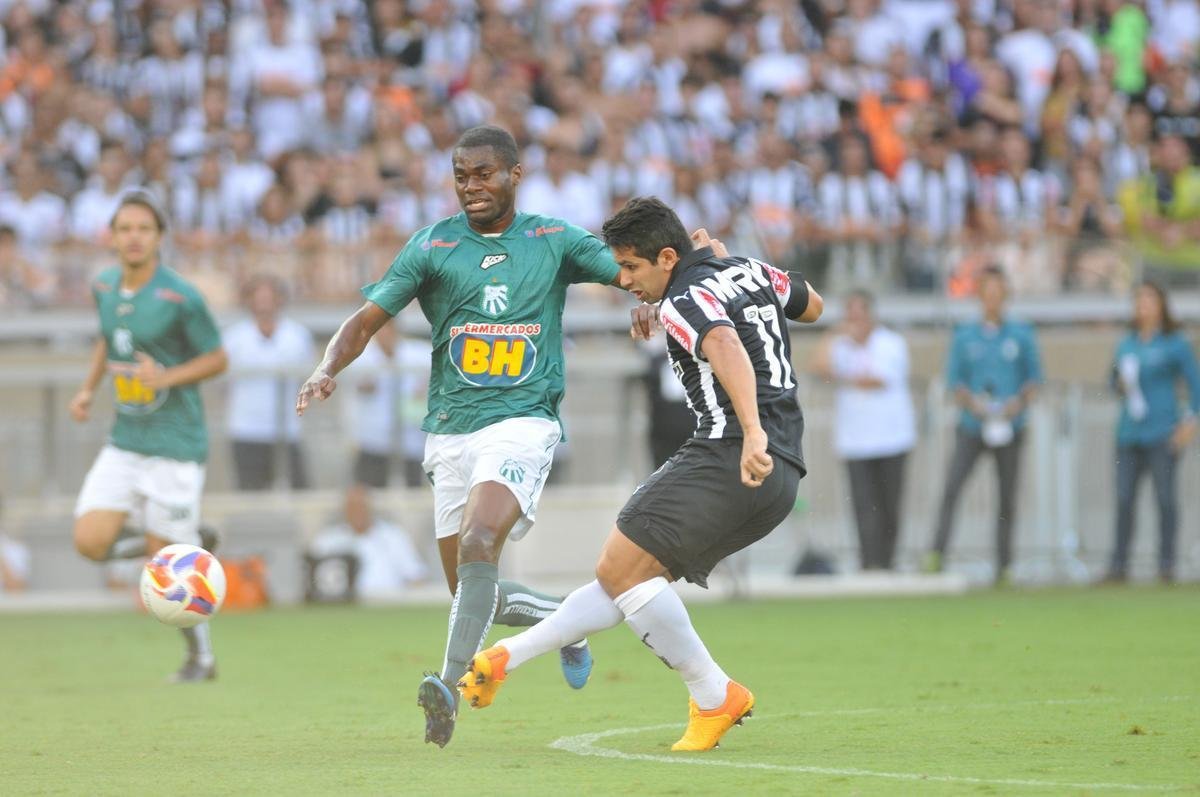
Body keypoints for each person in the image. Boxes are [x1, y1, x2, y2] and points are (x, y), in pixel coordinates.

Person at [295, 125, 632, 748]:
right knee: (471, 592)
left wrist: (643, 294)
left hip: (524, 421)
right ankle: (569, 623)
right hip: (450, 431)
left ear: (514, 175)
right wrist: (325, 368)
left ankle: (448, 684)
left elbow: (628, 269)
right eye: (461, 176)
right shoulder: (431, 247)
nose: (471, 186)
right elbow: (367, 320)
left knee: (481, 539)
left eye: (483, 174)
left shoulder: (552, 239)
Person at [456, 196, 823, 752]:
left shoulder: (682, 297)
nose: (622, 279)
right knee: (624, 575)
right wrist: (719, 270)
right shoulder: (746, 269)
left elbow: (722, 341)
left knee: (622, 569)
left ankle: (712, 693)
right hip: (781, 469)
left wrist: (750, 431)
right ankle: (506, 659)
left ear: (668, 256)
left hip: (732, 452)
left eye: (630, 267)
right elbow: (813, 306)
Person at [67, 190, 228, 681]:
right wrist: (88, 389)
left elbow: (217, 358)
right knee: (90, 542)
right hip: (126, 439)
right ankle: (188, 538)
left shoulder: (180, 295)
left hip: (175, 447)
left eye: (143, 228)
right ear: (112, 237)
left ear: (159, 237)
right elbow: (107, 338)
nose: (133, 237)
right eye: (125, 228)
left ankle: (201, 657)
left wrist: (168, 376)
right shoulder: (105, 287)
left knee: (173, 570)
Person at [926, 265, 1043, 584]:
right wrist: (975, 404)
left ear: (1005, 295)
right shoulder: (965, 335)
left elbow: (1034, 379)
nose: (992, 298)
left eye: (998, 292)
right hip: (972, 425)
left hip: (1011, 425)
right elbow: (956, 381)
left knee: (1007, 496)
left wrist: (1015, 404)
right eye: (987, 292)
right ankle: (937, 553)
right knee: (952, 488)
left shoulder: (1021, 334)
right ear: (980, 296)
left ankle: (1004, 564)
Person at [811, 290, 915, 571]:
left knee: (890, 505)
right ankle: (868, 563)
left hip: (892, 437)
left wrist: (843, 377)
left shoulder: (890, 343)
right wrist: (833, 334)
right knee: (862, 506)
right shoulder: (841, 345)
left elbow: (877, 380)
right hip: (855, 439)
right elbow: (820, 368)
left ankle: (888, 561)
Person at [1106, 282, 1200, 583]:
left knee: (1164, 499)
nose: (1143, 305)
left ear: (1161, 305)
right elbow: (1113, 380)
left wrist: (1190, 422)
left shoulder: (1174, 343)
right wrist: (1118, 384)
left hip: (1162, 433)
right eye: (1139, 300)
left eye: (1149, 300)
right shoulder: (1127, 343)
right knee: (1124, 499)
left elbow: (1195, 386)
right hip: (1129, 434)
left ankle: (1166, 564)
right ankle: (1119, 565)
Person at [224, 274, 314, 490]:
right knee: (250, 492)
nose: (264, 302)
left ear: (280, 299)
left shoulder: (298, 335)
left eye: (269, 296)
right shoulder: (233, 337)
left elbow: (309, 378)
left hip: (287, 429)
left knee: (298, 490)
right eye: (258, 296)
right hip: (246, 428)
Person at [308, 485, 428, 599]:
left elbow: (416, 577)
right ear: (344, 509)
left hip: (389, 605)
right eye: (353, 507)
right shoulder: (327, 540)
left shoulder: (394, 536)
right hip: (343, 606)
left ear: (370, 507)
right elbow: (311, 581)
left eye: (361, 507)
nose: (357, 512)